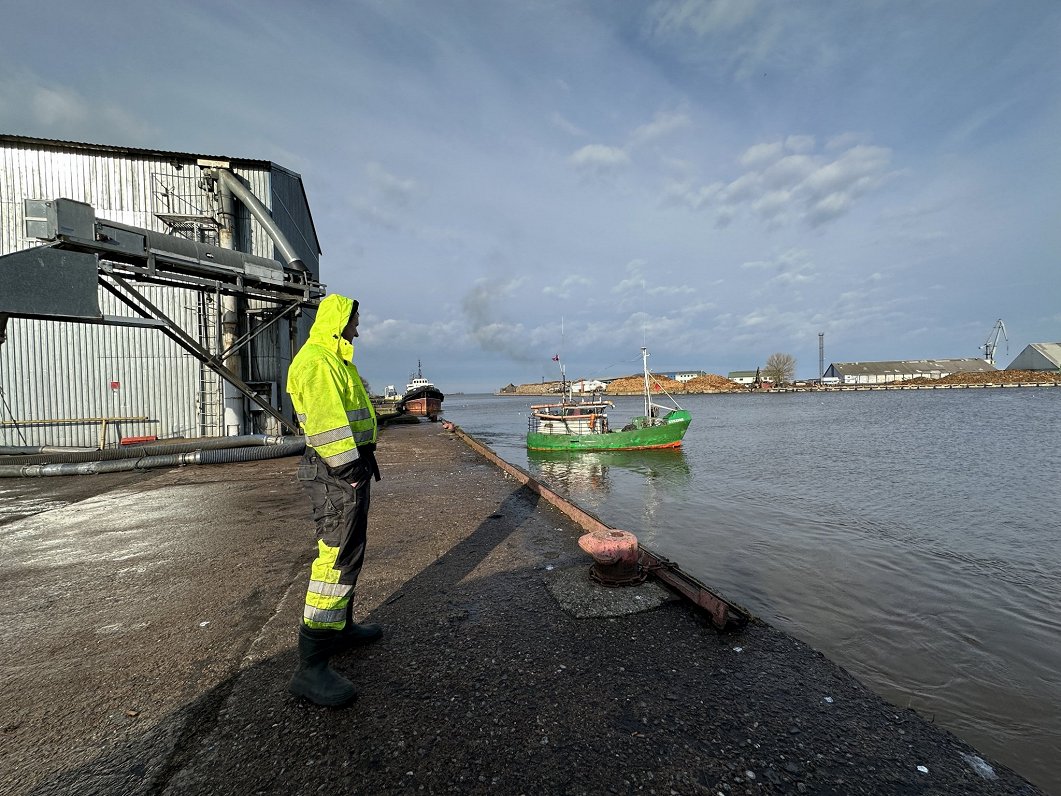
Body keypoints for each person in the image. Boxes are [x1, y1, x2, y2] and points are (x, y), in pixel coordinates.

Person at [285, 293, 382, 706]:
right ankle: (312, 666)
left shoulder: (335, 361)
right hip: (337, 474)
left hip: (346, 471)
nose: (357, 329)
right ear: (339, 321)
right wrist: (349, 470)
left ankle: (340, 628)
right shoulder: (317, 363)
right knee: (334, 560)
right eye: (354, 321)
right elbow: (327, 428)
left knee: (349, 554)